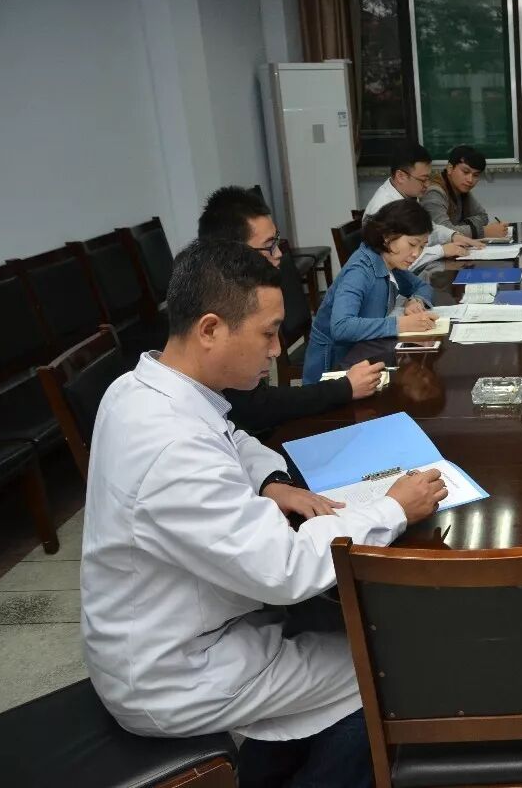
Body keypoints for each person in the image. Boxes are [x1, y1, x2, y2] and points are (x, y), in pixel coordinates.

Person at [81, 239, 448, 787]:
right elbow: (285, 570)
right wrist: (392, 507)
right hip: (172, 673)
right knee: (387, 670)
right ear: (210, 329)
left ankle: (272, 770)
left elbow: (229, 436)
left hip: (181, 628)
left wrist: (272, 482)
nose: (278, 350)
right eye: (268, 333)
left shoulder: (146, 385)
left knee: (346, 631)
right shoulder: (172, 447)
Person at [197, 186, 384, 434]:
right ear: (232, 252)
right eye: (269, 246)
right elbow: (254, 408)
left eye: (277, 242)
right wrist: (343, 388)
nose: (278, 255)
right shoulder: (218, 306)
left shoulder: (246, 291)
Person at [302, 200, 438, 384]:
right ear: (387, 236)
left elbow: (422, 287)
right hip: (333, 369)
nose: (416, 254)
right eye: (412, 244)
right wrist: (400, 324)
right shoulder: (360, 271)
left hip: (365, 355)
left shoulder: (390, 261)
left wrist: (416, 301)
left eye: (422, 246)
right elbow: (341, 326)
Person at [363, 144, 484, 267]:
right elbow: (400, 257)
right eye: (423, 180)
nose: (427, 184)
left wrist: (453, 236)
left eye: (428, 178)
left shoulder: (408, 195)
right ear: (401, 176)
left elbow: (429, 228)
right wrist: (442, 251)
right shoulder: (384, 207)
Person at [421, 144, 507, 240]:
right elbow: (444, 233)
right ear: (450, 168)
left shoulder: (461, 189)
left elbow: (483, 217)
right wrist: (483, 232)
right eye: (465, 172)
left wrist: (459, 226)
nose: (470, 180)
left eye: (475, 175)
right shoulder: (434, 192)